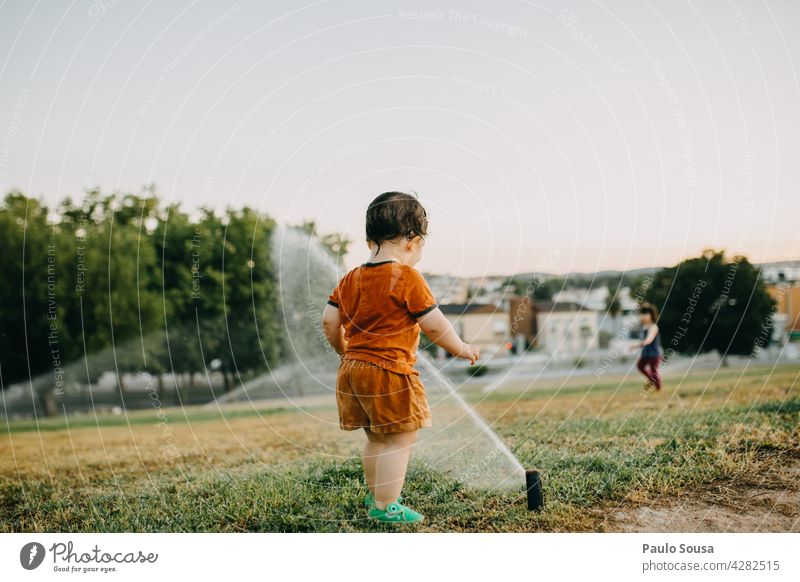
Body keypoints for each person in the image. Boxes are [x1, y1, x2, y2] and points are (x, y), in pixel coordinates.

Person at [321, 191, 480, 524]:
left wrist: (342, 350)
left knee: (377, 437)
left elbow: (328, 320)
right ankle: (386, 506)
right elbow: (435, 326)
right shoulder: (407, 278)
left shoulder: (350, 279)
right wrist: (461, 348)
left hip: (352, 370)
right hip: (389, 371)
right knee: (400, 439)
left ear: (369, 241)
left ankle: (375, 494)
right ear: (414, 241)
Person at [633, 303, 663, 391]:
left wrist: (636, 345)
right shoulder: (643, 327)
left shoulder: (653, 327)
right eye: (642, 314)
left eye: (646, 314)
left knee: (653, 371)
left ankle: (658, 387)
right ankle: (652, 381)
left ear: (651, 315)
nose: (643, 316)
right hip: (646, 353)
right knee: (640, 366)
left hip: (654, 353)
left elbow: (649, 340)